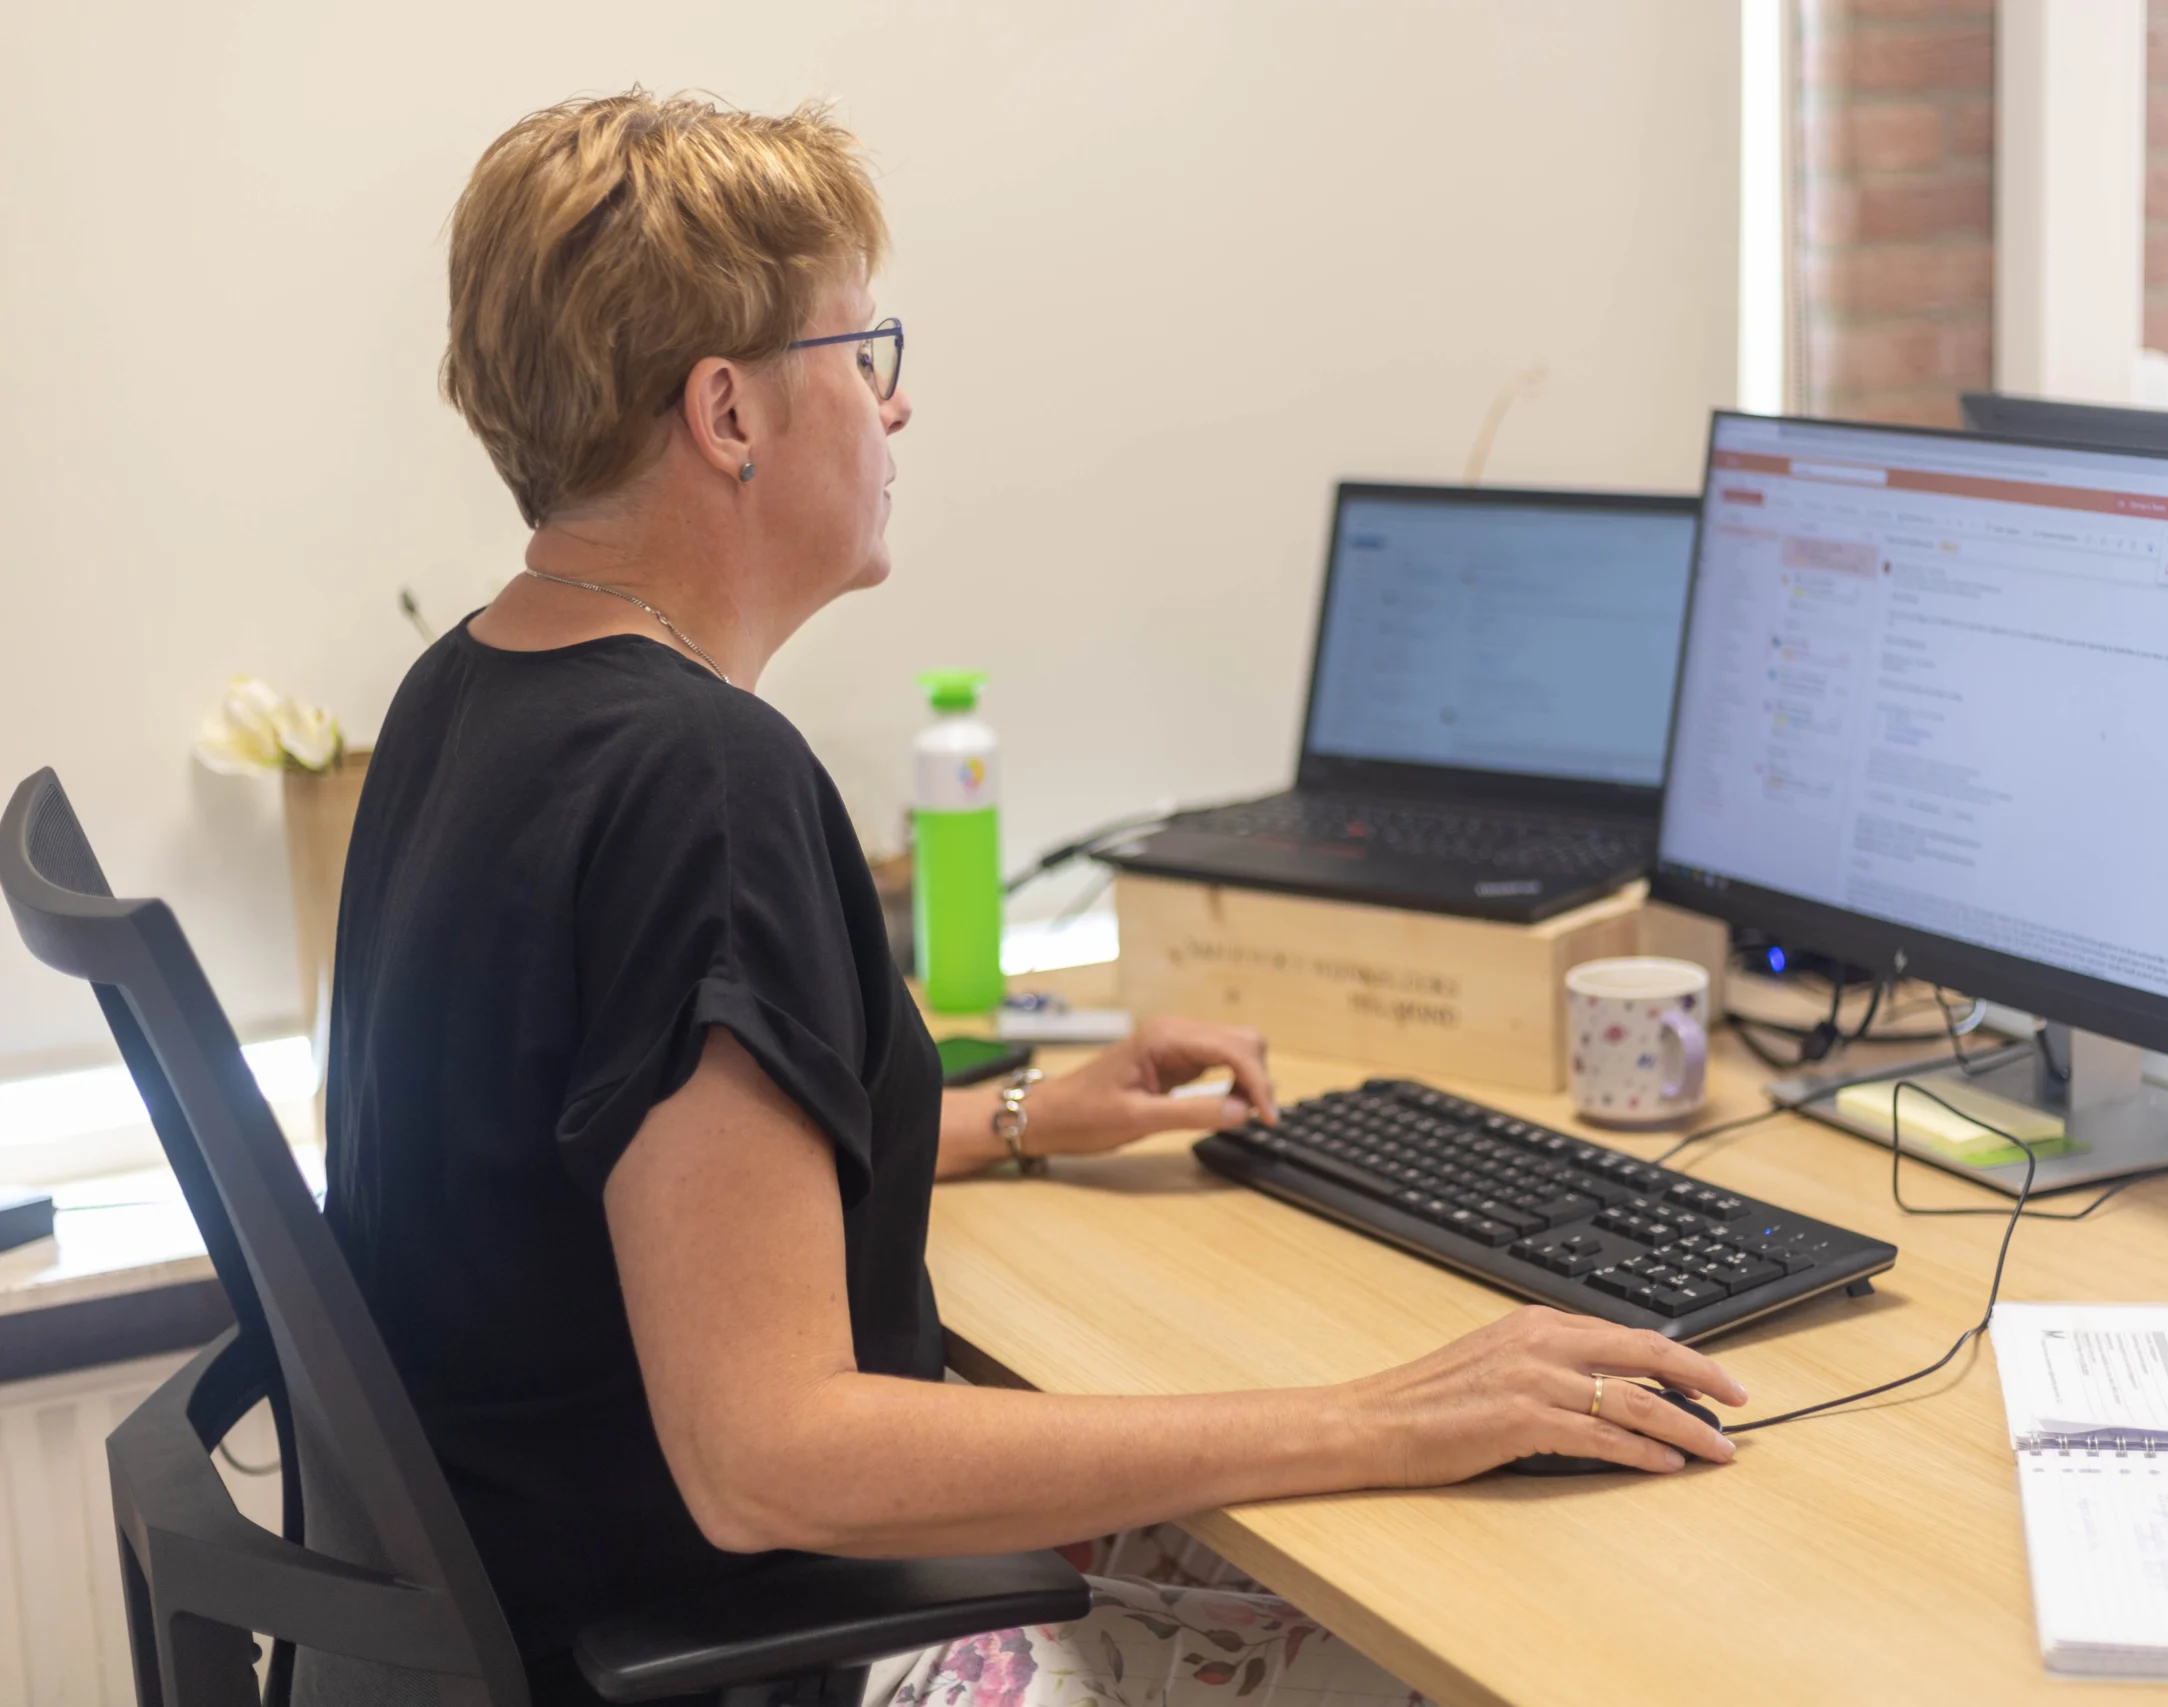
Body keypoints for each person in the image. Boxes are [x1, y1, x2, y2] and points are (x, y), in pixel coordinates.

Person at [325, 89, 1745, 1707]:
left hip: (543, 1622)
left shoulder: (472, 688)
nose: (898, 402)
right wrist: (1382, 1411)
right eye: (863, 351)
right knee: (1456, 1637)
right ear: (727, 413)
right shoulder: (699, 779)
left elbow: (624, 1161)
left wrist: (1025, 1116)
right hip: (724, 1657)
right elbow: (768, 1457)